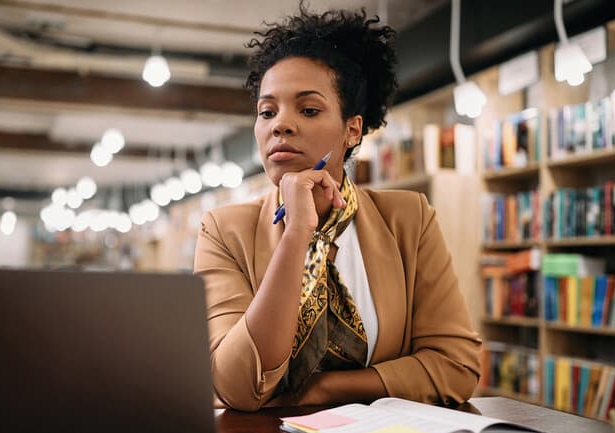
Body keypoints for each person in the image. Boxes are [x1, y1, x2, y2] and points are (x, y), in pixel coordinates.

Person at [193, 6, 481, 412]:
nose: (280, 125)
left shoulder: (409, 218)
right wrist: (296, 236)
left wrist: (325, 390)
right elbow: (238, 385)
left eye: (308, 110)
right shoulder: (224, 230)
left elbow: (456, 365)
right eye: (267, 111)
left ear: (352, 129)